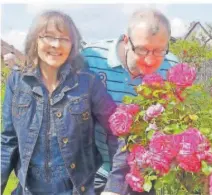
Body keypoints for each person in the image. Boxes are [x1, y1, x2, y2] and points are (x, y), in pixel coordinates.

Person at [1, 10, 128, 195]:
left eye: (64, 39)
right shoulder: (17, 81)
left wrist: (115, 187)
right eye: (48, 37)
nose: (56, 44)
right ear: (35, 40)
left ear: (73, 45)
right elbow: (8, 141)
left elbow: (118, 133)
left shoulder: (88, 83)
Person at [81, 8, 179, 195]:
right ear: (126, 41)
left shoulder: (172, 68)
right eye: (142, 50)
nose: (150, 60)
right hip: (94, 169)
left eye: (159, 51)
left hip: (142, 175)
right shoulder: (91, 59)